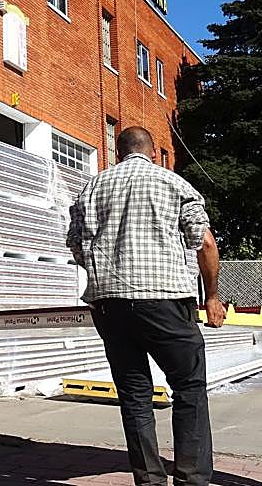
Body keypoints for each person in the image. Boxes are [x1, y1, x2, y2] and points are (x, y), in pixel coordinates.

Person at [67, 126, 226, 486]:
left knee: (135, 395)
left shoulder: (91, 188)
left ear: (117, 152)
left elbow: (76, 246)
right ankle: (191, 479)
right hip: (165, 300)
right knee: (188, 387)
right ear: (154, 152)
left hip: (110, 305)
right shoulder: (174, 184)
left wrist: (108, 273)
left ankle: (150, 480)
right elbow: (203, 243)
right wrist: (212, 297)